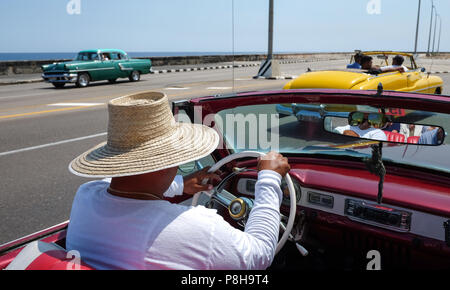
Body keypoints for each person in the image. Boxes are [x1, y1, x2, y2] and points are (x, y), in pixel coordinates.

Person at [66, 91, 290, 270]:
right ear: (168, 162)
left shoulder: (86, 195)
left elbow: (121, 185)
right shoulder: (199, 227)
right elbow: (259, 255)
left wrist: (182, 184)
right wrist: (269, 180)